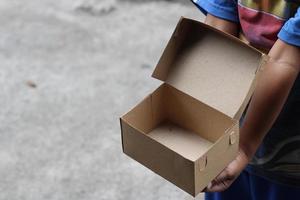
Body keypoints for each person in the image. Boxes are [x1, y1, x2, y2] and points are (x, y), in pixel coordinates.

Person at [191, 0, 300, 200]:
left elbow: (286, 57)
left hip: (289, 157)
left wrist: (242, 148)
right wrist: (205, 125)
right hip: (234, 133)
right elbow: (219, 20)